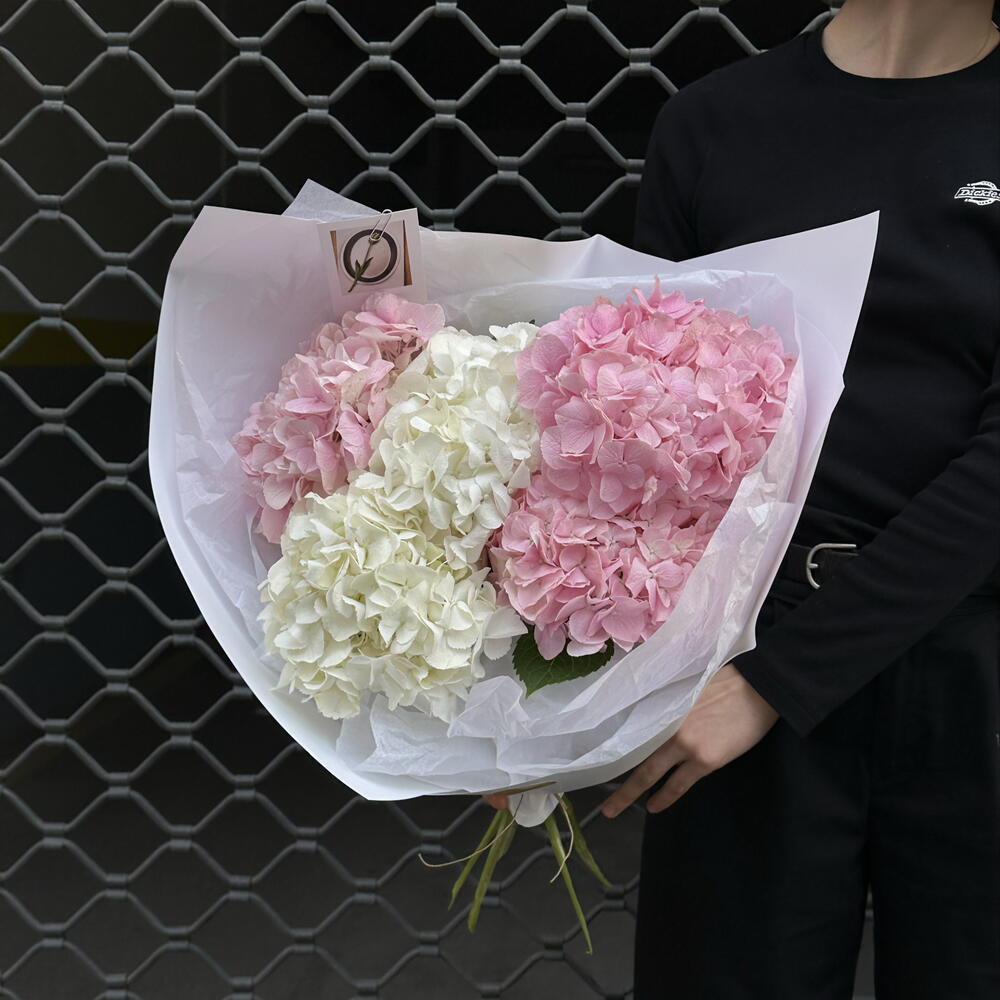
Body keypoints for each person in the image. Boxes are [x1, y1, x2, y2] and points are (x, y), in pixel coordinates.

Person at [488, 1, 999, 996]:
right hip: (743, 641)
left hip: (964, 669)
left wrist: (782, 680)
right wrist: (518, 699)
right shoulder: (715, 122)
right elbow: (638, 427)